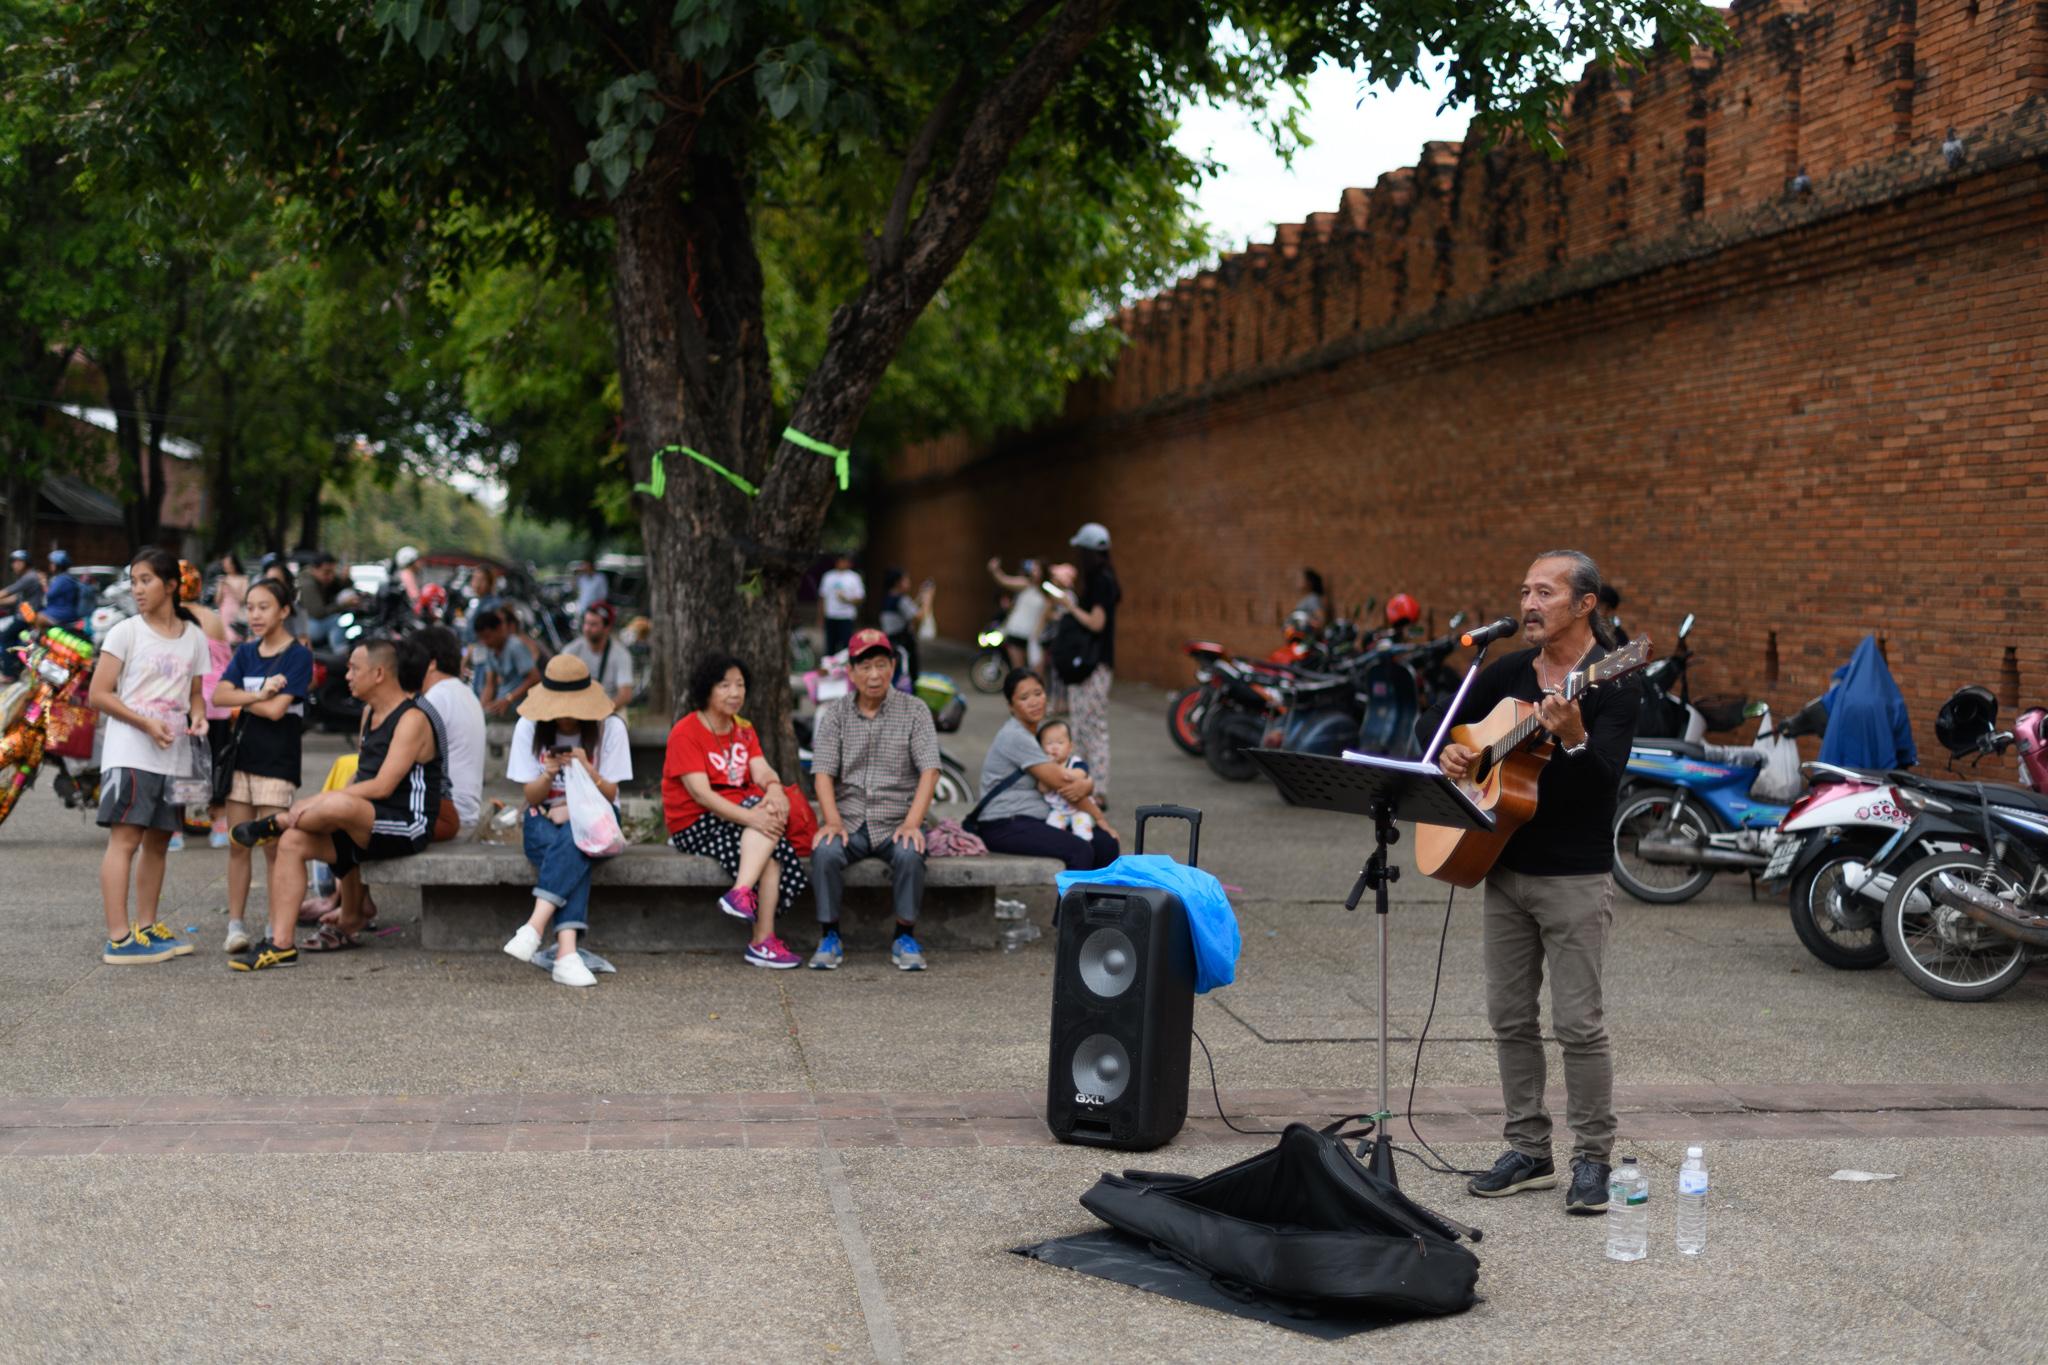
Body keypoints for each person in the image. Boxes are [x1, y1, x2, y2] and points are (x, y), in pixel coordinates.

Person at [1419, 550, 1637, 1217]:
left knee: (1578, 1023)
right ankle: (1528, 1148)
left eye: (1545, 591)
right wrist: (1457, 752)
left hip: (1573, 874)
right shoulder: (1508, 670)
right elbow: (1447, 740)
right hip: (1501, 864)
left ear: (1585, 604)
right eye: (1524, 591)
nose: (1529, 604)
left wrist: (1571, 740)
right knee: (1510, 1017)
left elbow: (1606, 781)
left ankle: (1593, 1157)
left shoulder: (1614, 682)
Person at [228, 636, 443, 970]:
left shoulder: (412, 719)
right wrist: (325, 802)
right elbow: (361, 775)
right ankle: (281, 944)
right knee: (292, 843)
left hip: (406, 823)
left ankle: (279, 820)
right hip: (364, 823)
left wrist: (320, 799)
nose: (347, 675)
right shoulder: (370, 712)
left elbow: (384, 786)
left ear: (379, 674)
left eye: (354, 668)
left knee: (338, 806)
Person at [87, 547, 212, 964]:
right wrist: (144, 723)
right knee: (125, 840)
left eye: (146, 580)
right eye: (134, 581)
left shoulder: (194, 636)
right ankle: (119, 937)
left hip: (175, 754)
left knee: (159, 841)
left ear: (171, 586)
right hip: (131, 751)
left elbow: (195, 696)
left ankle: (146, 925)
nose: (137, 589)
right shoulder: (126, 631)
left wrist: (199, 719)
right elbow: (99, 694)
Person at [663, 653, 812, 969]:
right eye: (725, 685)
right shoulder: (686, 731)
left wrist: (773, 789)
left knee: (772, 856)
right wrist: (754, 816)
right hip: (694, 823)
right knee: (767, 829)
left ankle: (757, 928)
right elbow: (700, 794)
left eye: (740, 685)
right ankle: (757, 930)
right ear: (707, 689)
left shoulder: (742, 728)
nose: (735, 693)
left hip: (737, 817)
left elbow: (761, 769)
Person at [807, 628, 941, 972]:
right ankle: (830, 936)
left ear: (893, 667)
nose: (874, 674)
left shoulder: (915, 710)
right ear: (850, 672)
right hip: (849, 819)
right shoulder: (835, 714)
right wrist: (832, 820)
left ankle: (904, 935)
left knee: (911, 854)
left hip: (897, 819)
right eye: (865, 667)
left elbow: (930, 770)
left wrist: (913, 822)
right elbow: (822, 772)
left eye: (881, 665)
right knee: (824, 851)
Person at [501, 655, 633, 988]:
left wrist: (588, 770)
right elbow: (531, 798)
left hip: (599, 818)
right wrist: (548, 774)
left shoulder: (610, 727)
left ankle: (534, 926)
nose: (568, 716)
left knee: (578, 833)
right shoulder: (529, 727)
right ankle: (567, 953)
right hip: (543, 817)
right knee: (575, 846)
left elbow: (610, 794)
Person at [210, 579, 314, 955]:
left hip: (278, 765)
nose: (254, 615)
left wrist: (248, 699)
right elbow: (219, 695)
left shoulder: (297, 655)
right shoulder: (246, 652)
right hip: (242, 761)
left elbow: (275, 711)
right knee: (239, 843)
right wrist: (259, 693)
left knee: (273, 848)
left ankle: (276, 925)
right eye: (250, 607)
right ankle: (235, 925)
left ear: (284, 610)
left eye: (264, 607)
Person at [975, 669, 1120, 871]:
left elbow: (1068, 777)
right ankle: (1069, 904)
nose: (1034, 701)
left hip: (1034, 818)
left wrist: (1087, 784)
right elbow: (1063, 784)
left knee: (1106, 844)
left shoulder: (1040, 734)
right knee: (1079, 850)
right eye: (1024, 697)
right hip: (1005, 823)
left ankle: (1097, 902)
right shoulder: (1015, 736)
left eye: (1038, 693)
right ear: (1011, 706)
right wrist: (1100, 817)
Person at [1046, 521, 1120, 802]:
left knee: (1091, 726)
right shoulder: (1103, 578)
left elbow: (1097, 623)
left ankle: (1096, 789)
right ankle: (1084, 783)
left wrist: (1070, 606)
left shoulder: (1102, 581)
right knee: (1082, 726)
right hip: (1090, 664)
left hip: (1092, 663)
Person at [179, 560, 236, 851]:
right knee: (217, 764)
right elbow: (225, 660)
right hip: (217, 703)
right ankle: (219, 824)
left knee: (180, 765)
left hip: (185, 703)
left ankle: (174, 829)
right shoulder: (212, 619)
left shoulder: (173, 619)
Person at [412, 625, 487, 837]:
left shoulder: (436, 699)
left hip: (448, 813)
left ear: (431, 664)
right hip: (464, 809)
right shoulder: (463, 692)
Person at [1037, 718, 1117, 843]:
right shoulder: (1045, 767)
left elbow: (1080, 774)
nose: (1054, 747)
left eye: (1060, 742)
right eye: (1049, 743)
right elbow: (1042, 788)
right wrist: (1049, 771)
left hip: (1080, 809)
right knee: (1051, 830)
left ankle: (1083, 844)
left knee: (1083, 830)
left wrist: (1059, 773)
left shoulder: (1075, 763)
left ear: (1070, 747)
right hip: (1058, 810)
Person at [563, 602, 635, 709]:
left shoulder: (621, 654)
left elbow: (625, 694)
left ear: (607, 628)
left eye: (593, 625)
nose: (587, 628)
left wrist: (603, 711)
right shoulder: (570, 651)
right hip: (576, 709)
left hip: (609, 707)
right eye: (586, 623)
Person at [471, 608, 539, 717]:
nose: (485, 642)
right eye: (482, 638)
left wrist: (509, 699)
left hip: (521, 707)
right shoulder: (490, 651)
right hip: (503, 705)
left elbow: (534, 677)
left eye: (488, 637)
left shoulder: (514, 646)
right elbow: (490, 684)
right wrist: (480, 709)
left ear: (499, 629)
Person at [986, 556, 1048, 670]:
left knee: (1037, 670)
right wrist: (995, 570)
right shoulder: (1025, 584)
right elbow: (1004, 580)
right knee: (1018, 669)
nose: (1033, 572)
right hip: (1016, 631)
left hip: (1033, 636)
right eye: (1033, 569)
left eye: (1036, 569)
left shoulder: (1047, 591)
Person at [877, 567, 932, 680]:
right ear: (898, 583)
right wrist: (928, 599)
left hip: (891, 642)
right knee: (909, 675)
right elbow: (920, 616)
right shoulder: (901, 600)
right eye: (906, 580)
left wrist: (920, 596)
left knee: (895, 675)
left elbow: (908, 610)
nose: (909, 583)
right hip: (904, 644)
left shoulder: (887, 597)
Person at [295, 553, 357, 650]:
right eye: (327, 572)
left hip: (310, 622)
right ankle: (340, 653)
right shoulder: (308, 584)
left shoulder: (325, 579)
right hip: (305, 625)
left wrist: (346, 578)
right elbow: (318, 613)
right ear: (314, 569)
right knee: (337, 621)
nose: (330, 576)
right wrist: (343, 604)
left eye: (333, 572)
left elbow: (342, 585)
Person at [0, 549, 43, 679]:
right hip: (25, 615)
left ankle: (8, 674)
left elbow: (7, 592)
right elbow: (14, 598)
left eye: (19, 562)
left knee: (5, 637)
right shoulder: (29, 577)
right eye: (13, 562)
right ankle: (16, 666)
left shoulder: (29, 577)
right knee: (12, 638)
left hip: (27, 617)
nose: (15, 565)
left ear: (26, 563)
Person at [817, 552, 864, 657]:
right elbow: (822, 597)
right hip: (831, 615)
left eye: (845, 561)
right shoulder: (828, 576)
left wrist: (847, 600)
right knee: (830, 646)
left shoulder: (854, 577)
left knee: (846, 646)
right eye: (841, 561)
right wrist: (820, 617)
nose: (843, 563)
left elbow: (860, 598)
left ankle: (845, 668)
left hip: (846, 616)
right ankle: (830, 668)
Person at [42, 549, 84, 632]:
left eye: (52, 563)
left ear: (59, 565)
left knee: (38, 618)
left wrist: (43, 584)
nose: (50, 565)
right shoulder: (64, 578)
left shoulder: (63, 579)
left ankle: (39, 639)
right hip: (60, 611)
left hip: (61, 612)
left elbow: (50, 594)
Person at [214, 551, 249, 637]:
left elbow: (243, 599)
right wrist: (220, 587)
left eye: (228, 563)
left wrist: (230, 586)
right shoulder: (222, 579)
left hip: (238, 615)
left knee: (236, 637)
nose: (225, 566)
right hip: (224, 613)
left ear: (234, 564)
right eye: (224, 563)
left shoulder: (243, 579)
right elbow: (217, 601)